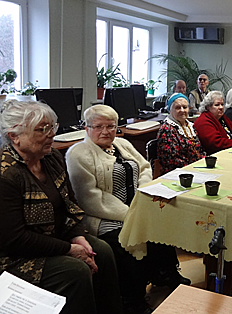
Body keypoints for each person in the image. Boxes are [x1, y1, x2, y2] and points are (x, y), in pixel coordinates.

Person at [0, 100, 122, 314]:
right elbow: (14, 239)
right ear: (14, 136)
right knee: (75, 271)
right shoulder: (6, 175)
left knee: (101, 250)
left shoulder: (52, 157)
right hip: (15, 255)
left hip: (55, 236)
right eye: (42, 129)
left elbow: (70, 204)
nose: (51, 134)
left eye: (52, 127)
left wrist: (78, 237)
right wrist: (69, 249)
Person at [66, 105, 189, 314]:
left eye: (111, 126)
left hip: (137, 207)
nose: (105, 132)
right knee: (126, 242)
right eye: (98, 126)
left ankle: (164, 273)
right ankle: (132, 299)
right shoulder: (78, 154)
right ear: (87, 129)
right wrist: (133, 215)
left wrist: (141, 198)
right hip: (102, 216)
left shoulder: (122, 143)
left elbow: (144, 167)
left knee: (163, 224)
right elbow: (91, 199)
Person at [157, 93, 205, 174]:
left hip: (196, 168)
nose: (182, 110)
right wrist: (195, 168)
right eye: (178, 108)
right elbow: (172, 160)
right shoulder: (167, 129)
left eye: (185, 107)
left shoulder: (190, 126)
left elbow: (200, 150)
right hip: (179, 173)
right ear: (170, 110)